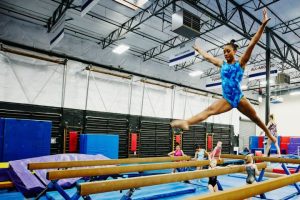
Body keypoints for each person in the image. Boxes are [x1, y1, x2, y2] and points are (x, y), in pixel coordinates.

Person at [170, 8, 276, 144]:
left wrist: (262, 25)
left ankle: (270, 136)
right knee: (209, 111)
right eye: (224, 51)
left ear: (234, 51)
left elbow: (252, 43)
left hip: (239, 98)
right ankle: (186, 122)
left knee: (256, 118)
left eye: (228, 51)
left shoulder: (241, 63)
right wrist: (199, 50)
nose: (225, 54)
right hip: (227, 99)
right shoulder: (222, 64)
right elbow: (209, 57)